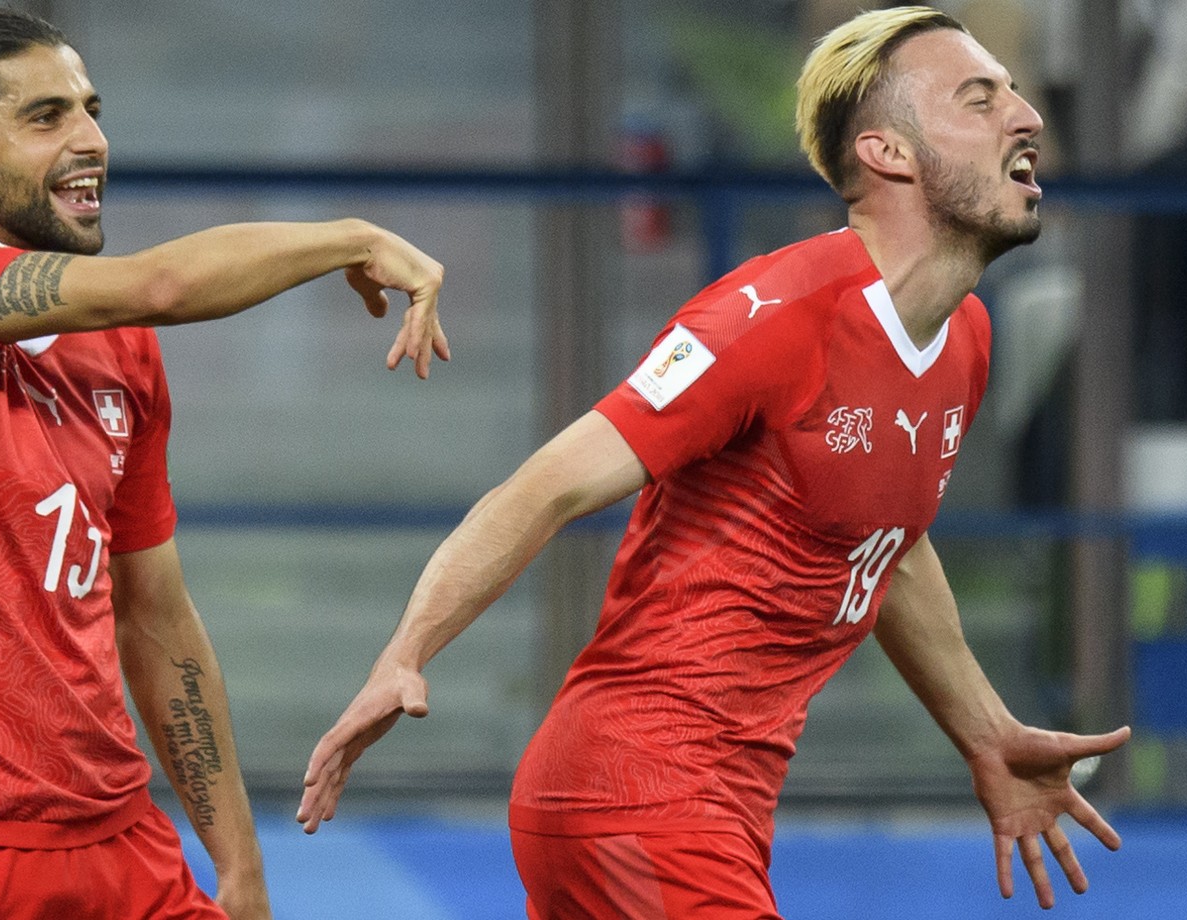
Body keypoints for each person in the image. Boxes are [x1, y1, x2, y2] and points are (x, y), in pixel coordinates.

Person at [298, 7, 1128, 918]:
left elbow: (884, 540)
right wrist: (405, 654)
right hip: (639, 792)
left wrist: (986, 734)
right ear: (888, 153)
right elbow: (544, 486)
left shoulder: (965, 336)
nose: (1028, 115)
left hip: (708, 809)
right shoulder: (769, 317)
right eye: (981, 99)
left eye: (1013, 91)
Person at [0, 8, 447, 920]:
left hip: (120, 842)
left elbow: (157, 618)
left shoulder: (121, 353)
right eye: (46, 116)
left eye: (92, 110)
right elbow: (163, 283)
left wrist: (240, 867)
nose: (92, 140)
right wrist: (352, 236)